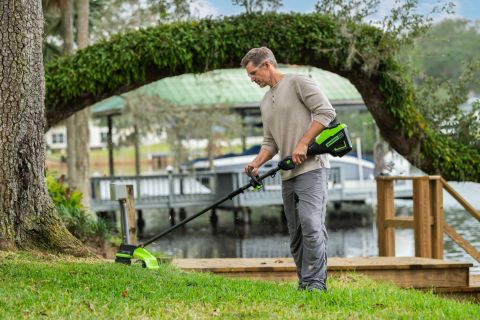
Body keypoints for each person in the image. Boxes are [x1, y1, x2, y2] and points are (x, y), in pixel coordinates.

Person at [241, 47, 336, 292]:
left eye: (253, 74)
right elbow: (270, 142)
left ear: (266, 65)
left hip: (312, 168)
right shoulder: (265, 102)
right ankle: (304, 283)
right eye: (249, 77)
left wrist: (303, 142)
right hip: (287, 173)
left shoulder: (298, 82)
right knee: (295, 232)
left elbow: (326, 112)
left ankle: (316, 283)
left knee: (311, 224)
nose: (252, 80)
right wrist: (256, 163)